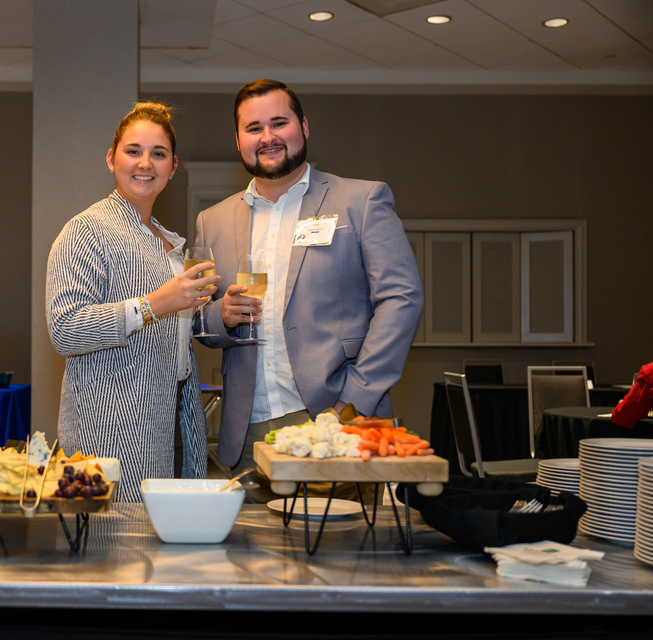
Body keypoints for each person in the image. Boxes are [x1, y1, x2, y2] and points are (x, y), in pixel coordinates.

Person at [196, 79, 424, 497]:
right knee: (252, 541)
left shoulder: (361, 201)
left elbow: (401, 299)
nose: (267, 137)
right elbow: (199, 320)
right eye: (253, 128)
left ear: (303, 126)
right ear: (238, 139)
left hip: (339, 420)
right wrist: (220, 317)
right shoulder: (212, 221)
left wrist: (353, 401)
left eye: (278, 123)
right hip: (248, 433)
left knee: (345, 537)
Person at [46, 102, 219, 502]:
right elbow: (65, 330)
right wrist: (152, 305)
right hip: (110, 430)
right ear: (111, 158)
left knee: (170, 536)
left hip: (175, 418)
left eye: (158, 153)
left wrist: (214, 316)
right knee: (115, 538)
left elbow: (173, 334)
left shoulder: (168, 243)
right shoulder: (86, 230)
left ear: (173, 167)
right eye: (133, 151)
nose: (145, 163)